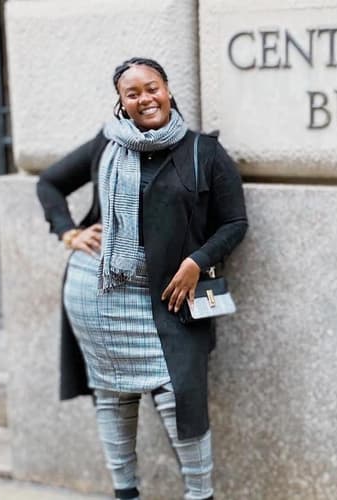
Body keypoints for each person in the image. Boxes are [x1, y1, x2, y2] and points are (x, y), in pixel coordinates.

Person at [37, 57, 248, 500]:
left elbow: (234, 223)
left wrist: (197, 261)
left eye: (151, 88)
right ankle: (125, 492)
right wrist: (69, 232)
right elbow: (49, 183)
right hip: (100, 294)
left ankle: (200, 494)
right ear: (121, 102)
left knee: (181, 398)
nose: (144, 99)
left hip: (173, 297)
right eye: (132, 93)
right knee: (113, 397)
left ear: (167, 90)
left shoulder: (204, 152)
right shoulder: (107, 143)